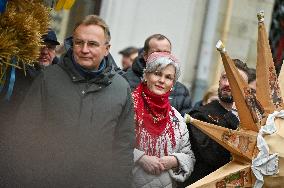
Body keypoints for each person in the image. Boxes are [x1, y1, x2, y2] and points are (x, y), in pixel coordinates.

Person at [0, 15, 135, 188]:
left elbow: (123, 147)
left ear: (107, 49)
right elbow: (25, 132)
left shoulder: (121, 89)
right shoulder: (48, 79)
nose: (84, 49)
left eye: (92, 44)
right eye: (79, 42)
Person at [132, 52, 195, 188]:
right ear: (146, 75)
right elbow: (110, 142)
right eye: (157, 73)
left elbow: (189, 156)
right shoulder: (128, 106)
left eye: (168, 77)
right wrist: (140, 158)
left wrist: (175, 160)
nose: (162, 80)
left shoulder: (176, 119)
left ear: (172, 84)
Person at [184, 59, 249, 186]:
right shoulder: (200, 115)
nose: (228, 83)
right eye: (225, 77)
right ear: (219, 81)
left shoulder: (249, 121)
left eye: (235, 80)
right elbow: (214, 157)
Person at [123, 34, 192, 116]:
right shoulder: (124, 82)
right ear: (145, 55)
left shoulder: (181, 91)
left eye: (166, 53)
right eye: (157, 52)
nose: (162, 57)